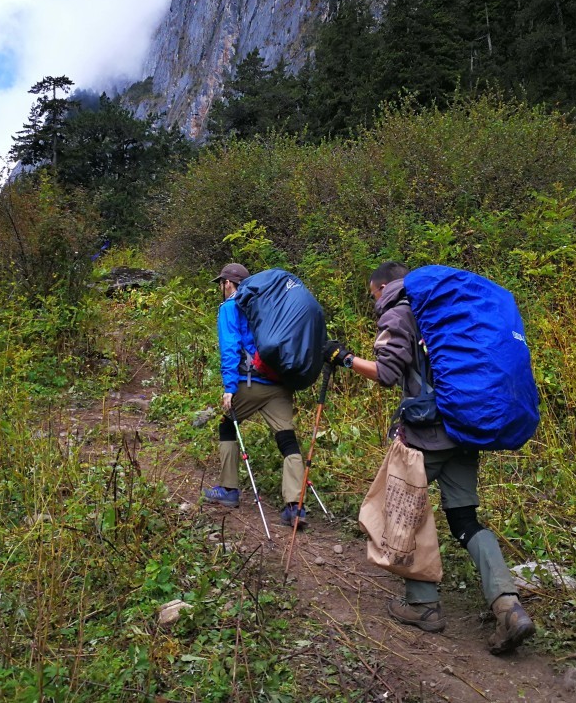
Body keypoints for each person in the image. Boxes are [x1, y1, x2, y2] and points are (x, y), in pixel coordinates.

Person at [323, 261, 535, 655]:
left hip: (426, 436)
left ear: (383, 285)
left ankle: (422, 605)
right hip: (465, 427)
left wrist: (344, 358)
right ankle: (508, 605)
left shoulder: (399, 310)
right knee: (464, 518)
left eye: (374, 294)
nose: (376, 302)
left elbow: (387, 374)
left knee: (403, 512)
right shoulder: (446, 309)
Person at [202, 263, 308, 529]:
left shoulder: (230, 307)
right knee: (287, 438)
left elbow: (230, 347)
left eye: (222, 283)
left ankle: (229, 490)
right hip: (279, 382)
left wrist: (229, 387)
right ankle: (295, 506)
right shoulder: (271, 305)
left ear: (228, 283)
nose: (221, 287)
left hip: (251, 382)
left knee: (227, 426)